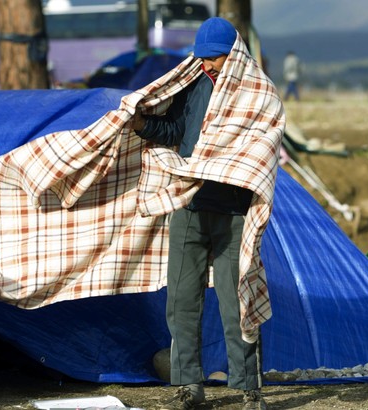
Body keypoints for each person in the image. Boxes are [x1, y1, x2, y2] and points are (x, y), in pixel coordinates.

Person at [132, 17, 283, 410]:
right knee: (182, 303)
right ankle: (189, 388)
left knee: (238, 304)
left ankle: (249, 390)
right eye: (201, 59)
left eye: (213, 58)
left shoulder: (258, 96)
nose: (207, 66)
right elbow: (177, 131)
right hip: (189, 209)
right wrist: (145, 125)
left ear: (232, 55)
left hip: (233, 214)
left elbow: (262, 150)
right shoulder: (194, 86)